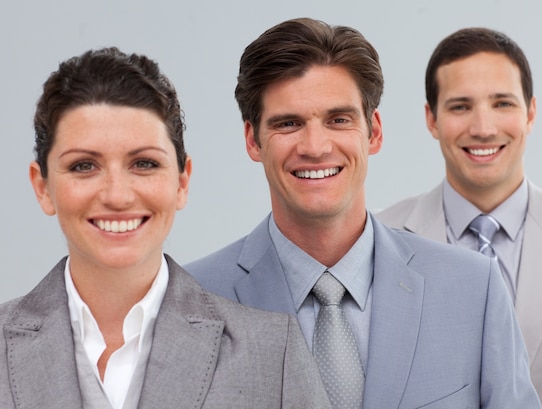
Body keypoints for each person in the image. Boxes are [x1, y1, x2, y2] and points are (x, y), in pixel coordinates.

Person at [186, 18, 541, 408]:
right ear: (253, 140)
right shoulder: (189, 299)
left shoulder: (474, 289)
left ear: (373, 132)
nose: (316, 146)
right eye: (289, 123)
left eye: (338, 120)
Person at [0, 47, 331, 409]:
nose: (117, 195)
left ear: (181, 181)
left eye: (143, 163)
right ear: (42, 187)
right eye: (83, 166)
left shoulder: (271, 353)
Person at [376, 27, 542, 408]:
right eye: (460, 106)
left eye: (502, 104)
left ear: (531, 112)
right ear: (432, 119)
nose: (483, 128)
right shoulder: (379, 238)